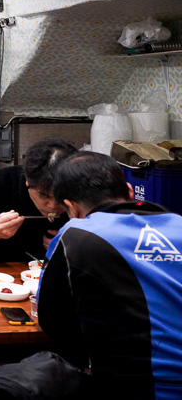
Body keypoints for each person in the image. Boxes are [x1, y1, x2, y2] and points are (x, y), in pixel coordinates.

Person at [38, 151, 182, 398]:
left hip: (139, 387)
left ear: (71, 208)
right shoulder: (178, 222)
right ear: (129, 190)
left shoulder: (76, 233)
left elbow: (52, 319)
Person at [0, 138, 74, 262]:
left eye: (61, 197)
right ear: (28, 181)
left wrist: (75, 245)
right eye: (44, 196)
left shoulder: (84, 193)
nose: (53, 206)